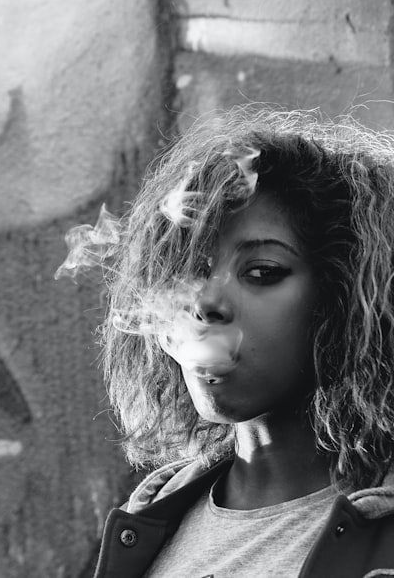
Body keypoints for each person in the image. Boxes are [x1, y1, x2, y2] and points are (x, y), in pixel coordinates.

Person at [64, 107, 394, 577]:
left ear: (342, 299)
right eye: (191, 271)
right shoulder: (149, 523)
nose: (207, 303)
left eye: (262, 272)